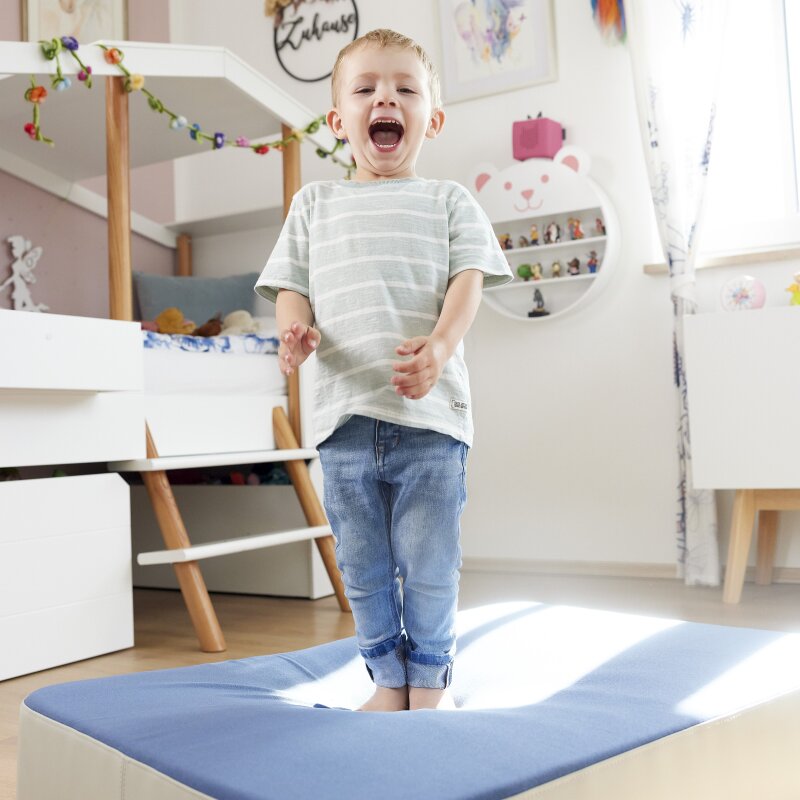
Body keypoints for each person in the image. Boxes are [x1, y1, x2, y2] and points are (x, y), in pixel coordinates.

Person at [255, 28, 512, 712]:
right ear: (339, 120)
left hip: (431, 422)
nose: (385, 99)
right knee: (363, 567)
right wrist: (293, 332)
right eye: (365, 88)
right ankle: (386, 681)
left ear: (433, 118)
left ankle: (428, 683)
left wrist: (441, 346)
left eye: (405, 89)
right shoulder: (314, 205)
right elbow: (291, 286)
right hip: (343, 422)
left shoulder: (449, 200)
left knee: (430, 565)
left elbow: (468, 280)